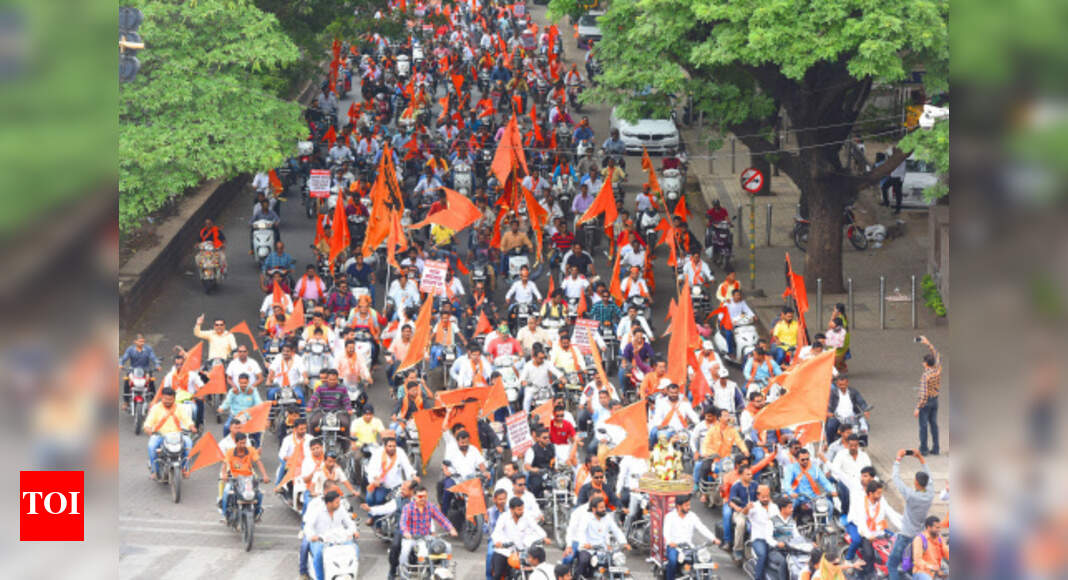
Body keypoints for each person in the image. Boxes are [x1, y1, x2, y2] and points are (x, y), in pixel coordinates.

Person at [886, 448, 936, 580]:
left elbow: (896, 479)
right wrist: (920, 458)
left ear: (917, 483)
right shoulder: (930, 494)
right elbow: (929, 476)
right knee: (913, 566)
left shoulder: (911, 495)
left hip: (905, 536)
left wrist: (898, 459)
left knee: (891, 565)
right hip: (918, 537)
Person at [398, 485, 458, 578]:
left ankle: (444, 571)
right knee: (405, 551)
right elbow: (403, 522)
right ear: (414, 497)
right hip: (412, 538)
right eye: (420, 496)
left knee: (448, 547)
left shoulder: (430, 507)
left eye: (425, 496)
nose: (423, 498)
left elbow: (441, 518)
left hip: (427, 537)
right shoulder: (408, 508)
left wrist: (451, 528)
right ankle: (404, 576)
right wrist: (406, 532)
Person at [849, 481, 902, 576]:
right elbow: (862, 524)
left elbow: (892, 515)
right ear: (870, 493)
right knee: (869, 555)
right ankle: (865, 576)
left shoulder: (881, 502)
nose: (880, 495)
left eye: (881, 493)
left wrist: (903, 529)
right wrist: (869, 536)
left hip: (881, 534)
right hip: (868, 536)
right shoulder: (861, 504)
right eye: (878, 493)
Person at [305, 489, 360, 580]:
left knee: (355, 549)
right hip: (322, 540)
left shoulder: (340, 509)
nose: (339, 504)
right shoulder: (317, 511)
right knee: (319, 554)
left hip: (339, 539)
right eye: (336, 502)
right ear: (329, 503)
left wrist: (354, 531)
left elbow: (350, 523)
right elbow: (308, 527)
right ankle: (320, 578)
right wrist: (313, 536)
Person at [490, 497, 549, 580]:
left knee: (533, 570)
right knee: (498, 574)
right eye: (519, 509)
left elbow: (536, 527)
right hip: (505, 550)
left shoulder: (526, 516)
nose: (522, 511)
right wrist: (498, 542)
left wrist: (544, 537)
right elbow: (496, 533)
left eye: (522, 509)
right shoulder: (504, 517)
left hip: (522, 551)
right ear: (511, 509)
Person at [144, 387, 195, 478]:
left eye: (170, 400)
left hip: (177, 435)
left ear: (174, 399)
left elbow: (186, 419)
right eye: (165, 399)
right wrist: (148, 428)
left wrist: (191, 426)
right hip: (160, 435)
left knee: (189, 444)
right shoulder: (156, 408)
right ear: (161, 397)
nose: (167, 401)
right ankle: (154, 471)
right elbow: (148, 422)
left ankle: (185, 468)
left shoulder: (179, 407)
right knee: (151, 447)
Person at [575, 495, 629, 579]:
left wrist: (624, 543)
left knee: (616, 563)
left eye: (604, 507)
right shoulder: (586, 518)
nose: (604, 509)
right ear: (593, 509)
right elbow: (581, 532)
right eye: (601, 507)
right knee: (584, 561)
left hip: (604, 549)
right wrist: (585, 544)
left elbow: (616, 530)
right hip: (589, 549)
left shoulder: (607, 518)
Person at [220, 433, 270, 521]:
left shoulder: (251, 450)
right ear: (236, 443)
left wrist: (265, 475)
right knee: (226, 493)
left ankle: (257, 514)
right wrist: (224, 475)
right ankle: (225, 515)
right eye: (241, 443)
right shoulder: (230, 452)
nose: (243, 445)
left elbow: (259, 462)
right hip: (234, 478)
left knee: (258, 494)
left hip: (248, 478)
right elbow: (224, 465)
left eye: (244, 443)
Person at [439, 430, 490, 515]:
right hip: (455, 478)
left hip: (471, 479)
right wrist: (446, 471)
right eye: (462, 442)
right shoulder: (452, 451)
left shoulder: (474, 450)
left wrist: (485, 472)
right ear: (458, 442)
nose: (464, 444)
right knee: (448, 491)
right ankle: (443, 514)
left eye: (466, 442)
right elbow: (444, 463)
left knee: (484, 492)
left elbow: (481, 464)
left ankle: (483, 515)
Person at [365, 435, 418, 507]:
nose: (392, 448)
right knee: (369, 499)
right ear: (385, 447)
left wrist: (413, 475)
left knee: (379, 500)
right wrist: (376, 479)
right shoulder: (378, 453)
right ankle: (373, 515)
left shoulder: (400, 452)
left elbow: (407, 466)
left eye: (394, 446)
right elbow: (372, 469)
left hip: (394, 484)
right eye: (390, 446)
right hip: (379, 483)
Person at [915, 336, 941, 456]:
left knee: (923, 426)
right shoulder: (938, 369)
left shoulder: (926, 376)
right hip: (935, 400)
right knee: (934, 424)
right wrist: (928, 343)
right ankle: (936, 448)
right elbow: (937, 354)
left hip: (926, 402)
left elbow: (924, 394)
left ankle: (924, 449)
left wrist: (918, 407)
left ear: (926, 364)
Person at [725, 466, 758, 561]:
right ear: (741, 475)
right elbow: (731, 502)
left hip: (754, 512)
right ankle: (737, 550)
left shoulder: (755, 485)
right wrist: (737, 508)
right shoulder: (736, 486)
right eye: (748, 474)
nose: (750, 476)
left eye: (751, 474)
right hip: (740, 513)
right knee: (740, 524)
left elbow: (760, 496)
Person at [218, 373, 263, 443]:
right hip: (235, 417)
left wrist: (261, 409)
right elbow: (227, 401)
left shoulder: (253, 391)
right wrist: (221, 408)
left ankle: (256, 450)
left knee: (257, 431)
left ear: (248, 382)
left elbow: (259, 402)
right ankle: (226, 448)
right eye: (241, 383)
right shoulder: (233, 391)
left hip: (248, 418)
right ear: (238, 382)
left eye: (245, 383)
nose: (243, 385)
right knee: (226, 428)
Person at [746, 484, 779, 580]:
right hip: (759, 539)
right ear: (758, 496)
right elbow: (745, 513)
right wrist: (747, 508)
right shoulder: (754, 506)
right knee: (763, 555)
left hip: (773, 538)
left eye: (767, 496)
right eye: (763, 497)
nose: (765, 499)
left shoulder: (774, 507)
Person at [825, 374, 870, 441]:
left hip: (852, 416)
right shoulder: (832, 393)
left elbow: (861, 401)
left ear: (847, 383)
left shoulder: (853, 392)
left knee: (864, 427)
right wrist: (829, 413)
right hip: (837, 417)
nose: (842, 386)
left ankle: (862, 443)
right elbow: (829, 404)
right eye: (840, 385)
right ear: (837, 384)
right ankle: (830, 445)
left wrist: (865, 409)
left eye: (844, 384)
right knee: (830, 427)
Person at [722, 289, 757, 357]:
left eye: (739, 295)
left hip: (739, 322)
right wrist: (729, 321)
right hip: (728, 323)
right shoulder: (727, 302)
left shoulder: (742, 302)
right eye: (737, 295)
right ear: (733, 296)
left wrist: (753, 316)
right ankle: (731, 352)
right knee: (729, 334)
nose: (738, 296)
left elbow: (747, 310)